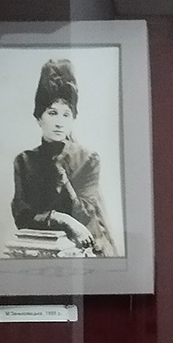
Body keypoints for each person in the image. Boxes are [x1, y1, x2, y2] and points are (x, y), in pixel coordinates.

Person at [10, 57, 119, 256]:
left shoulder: (88, 159)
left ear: (73, 119)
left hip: (89, 248)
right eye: (52, 113)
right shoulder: (24, 161)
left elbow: (84, 215)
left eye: (66, 114)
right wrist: (62, 219)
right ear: (39, 118)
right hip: (44, 248)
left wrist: (62, 176)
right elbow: (22, 217)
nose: (59, 122)